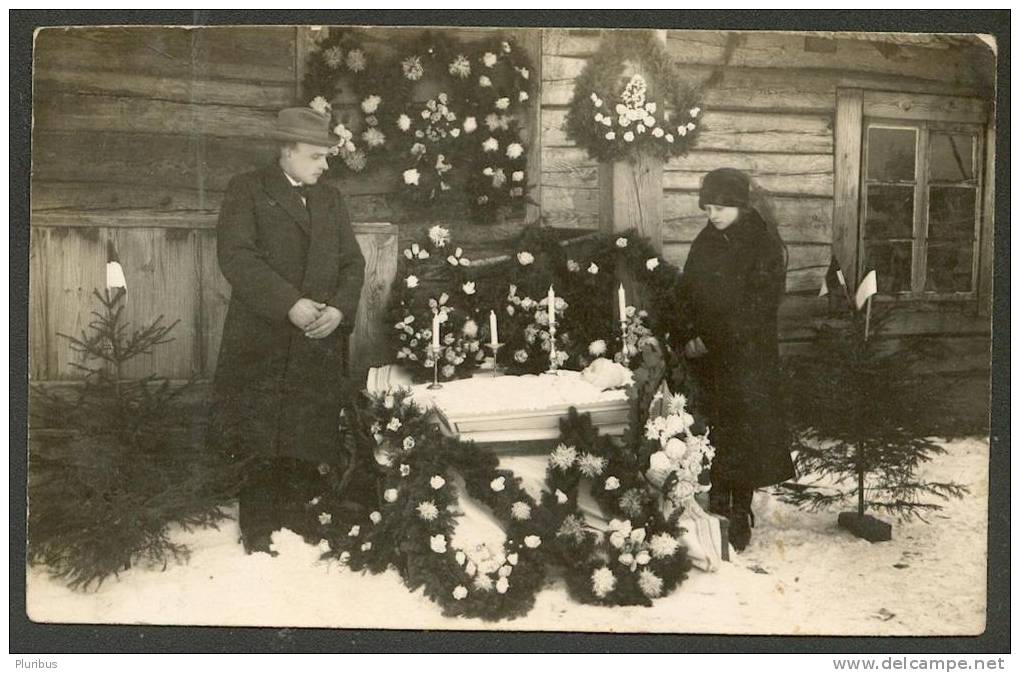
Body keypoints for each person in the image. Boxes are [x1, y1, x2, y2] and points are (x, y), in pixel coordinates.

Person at [207, 106, 366, 555]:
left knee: (307, 427)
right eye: (317, 156)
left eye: (326, 156)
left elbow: (352, 263)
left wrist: (338, 309)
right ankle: (258, 528)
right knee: (260, 431)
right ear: (287, 151)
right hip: (263, 337)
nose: (324, 164)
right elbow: (237, 257)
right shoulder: (248, 190)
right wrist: (288, 304)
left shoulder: (330, 199)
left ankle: (300, 515)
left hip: (318, 336)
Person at [675, 168, 795, 552]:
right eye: (708, 207)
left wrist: (710, 339)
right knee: (715, 430)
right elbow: (687, 291)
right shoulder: (706, 241)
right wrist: (687, 333)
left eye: (722, 207)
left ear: (741, 205)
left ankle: (739, 510)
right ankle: (716, 502)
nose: (713, 214)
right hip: (709, 359)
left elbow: (758, 307)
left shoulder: (762, 243)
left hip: (747, 358)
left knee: (744, 432)